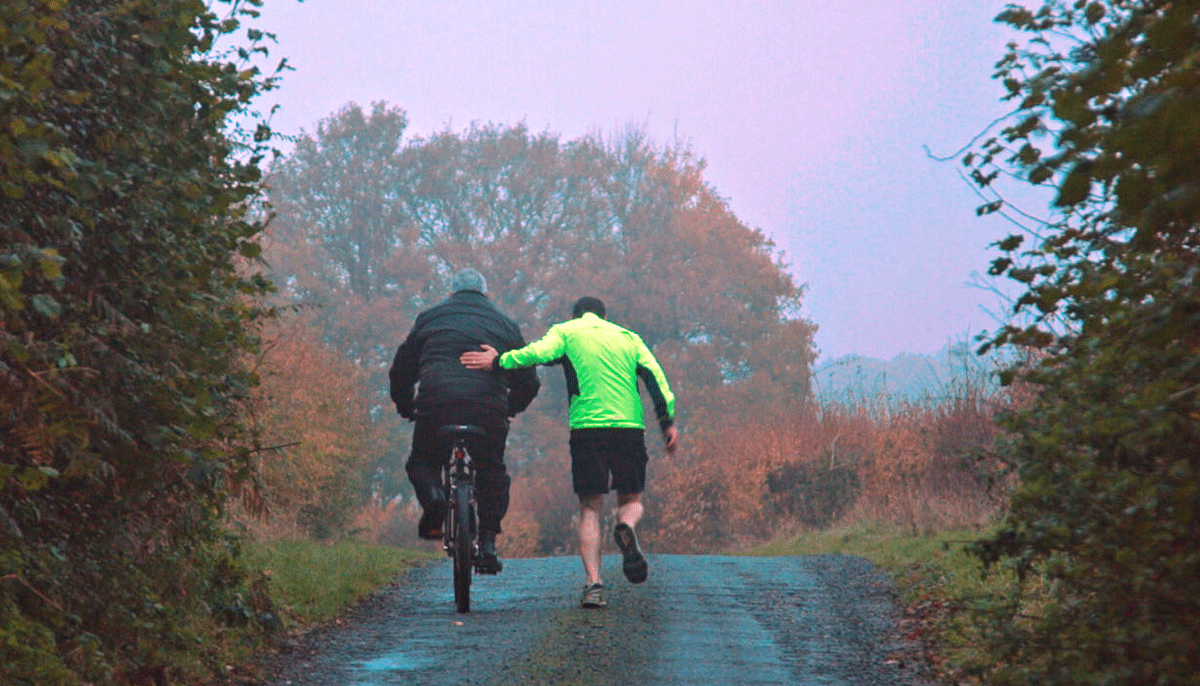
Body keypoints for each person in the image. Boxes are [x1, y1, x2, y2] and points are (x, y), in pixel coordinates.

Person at [460, 296, 678, 608]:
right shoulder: (629, 338)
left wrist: (498, 361)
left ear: (576, 315)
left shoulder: (566, 332)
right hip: (628, 427)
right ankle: (626, 527)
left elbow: (535, 354)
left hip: (587, 429)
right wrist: (666, 420)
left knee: (590, 507)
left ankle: (594, 585)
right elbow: (656, 378)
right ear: (604, 316)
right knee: (631, 500)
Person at [389, 268, 540, 574]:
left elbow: (400, 371)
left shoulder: (429, 319)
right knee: (491, 471)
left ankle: (434, 498)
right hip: (487, 410)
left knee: (422, 461)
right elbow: (530, 381)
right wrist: (510, 408)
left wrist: (407, 408)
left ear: (451, 293)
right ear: (485, 294)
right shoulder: (504, 324)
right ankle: (487, 544)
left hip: (436, 406)